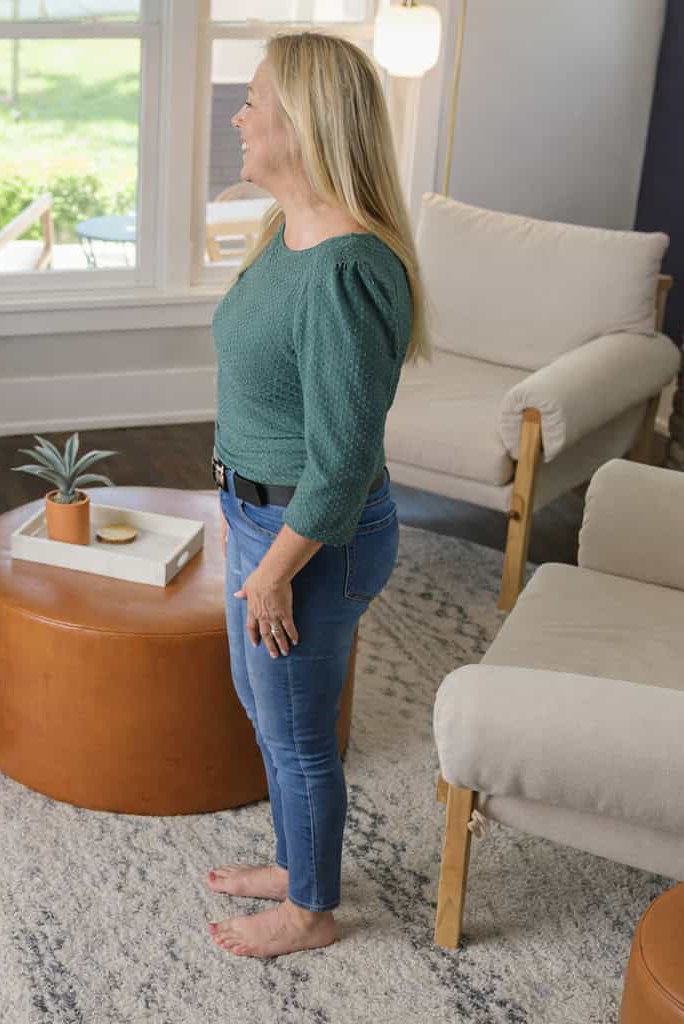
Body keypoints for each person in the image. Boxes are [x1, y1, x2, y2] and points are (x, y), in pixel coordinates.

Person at [204, 33, 430, 958]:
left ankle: (312, 913)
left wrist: (273, 573)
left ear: (304, 124)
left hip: (311, 539)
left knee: (299, 736)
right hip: (260, 519)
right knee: (266, 708)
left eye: (255, 101)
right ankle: (301, 866)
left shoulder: (344, 269)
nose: (239, 116)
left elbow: (341, 462)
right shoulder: (286, 234)